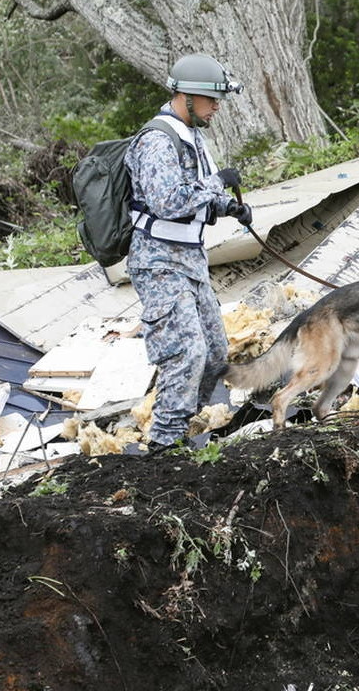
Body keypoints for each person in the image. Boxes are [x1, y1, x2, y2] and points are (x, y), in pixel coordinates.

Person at [125, 53, 252, 454]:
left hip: (190, 261)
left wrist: (228, 207)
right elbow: (166, 201)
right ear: (188, 96)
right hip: (158, 262)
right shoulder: (156, 140)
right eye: (212, 99)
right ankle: (164, 446)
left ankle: (179, 428)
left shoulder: (192, 136)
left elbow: (193, 197)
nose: (217, 107)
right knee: (186, 352)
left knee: (214, 353)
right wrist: (217, 183)